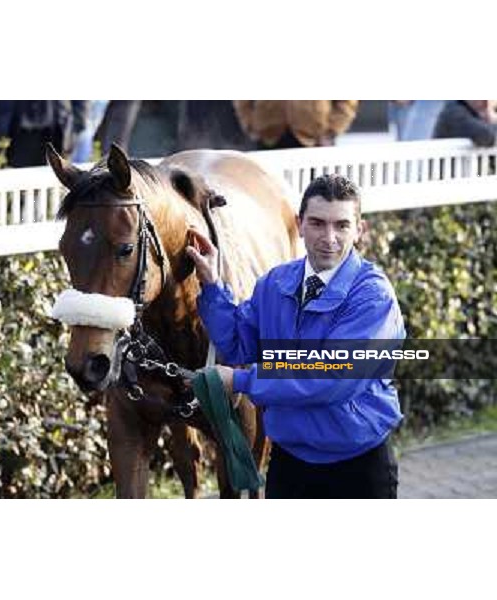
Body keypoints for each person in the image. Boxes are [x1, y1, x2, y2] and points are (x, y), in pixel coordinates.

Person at [186, 174, 404, 499]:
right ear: (300, 224)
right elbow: (237, 344)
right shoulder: (275, 283)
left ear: (360, 230)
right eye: (317, 223)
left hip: (359, 466)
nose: (329, 237)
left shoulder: (373, 296)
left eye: (341, 225)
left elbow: (331, 376)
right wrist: (213, 284)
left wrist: (242, 381)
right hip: (289, 464)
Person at [233, 100, 359, 150]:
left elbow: (347, 103)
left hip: (314, 140)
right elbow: (242, 101)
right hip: (269, 138)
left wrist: (331, 132)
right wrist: (251, 126)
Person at [433, 100, 497, 147]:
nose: (485, 101)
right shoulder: (453, 112)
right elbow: (486, 136)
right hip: (446, 164)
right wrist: (489, 115)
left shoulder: (468, 111)